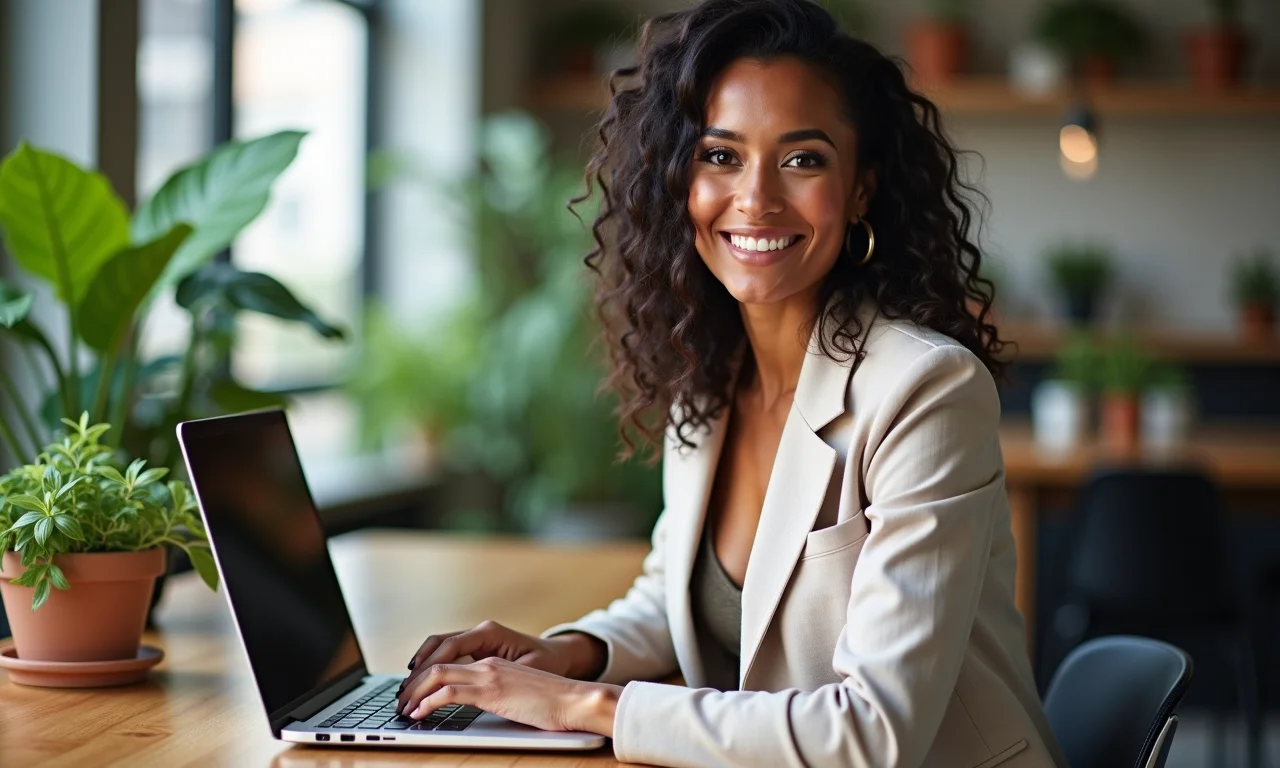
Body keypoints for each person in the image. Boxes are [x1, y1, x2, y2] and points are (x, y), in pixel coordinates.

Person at [396, 1, 1067, 765]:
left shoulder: (926, 390)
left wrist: (584, 707)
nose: (755, 198)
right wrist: (564, 654)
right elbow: (681, 595)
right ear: (680, 180)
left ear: (860, 190)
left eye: (802, 159)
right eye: (721, 156)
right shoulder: (708, 378)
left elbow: (874, 734)